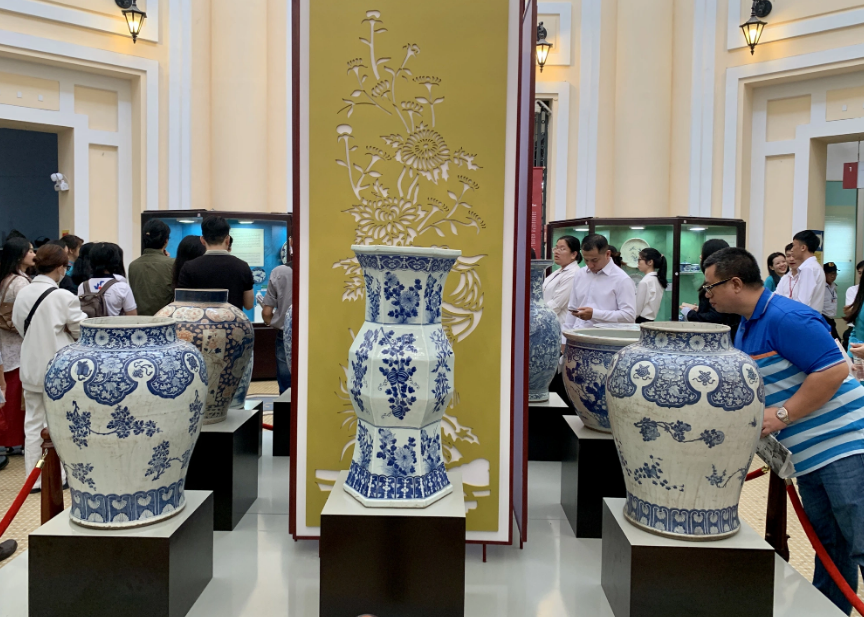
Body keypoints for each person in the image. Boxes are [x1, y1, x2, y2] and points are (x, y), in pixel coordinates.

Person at [702, 246, 864, 615]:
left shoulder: (786, 316)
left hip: (845, 447)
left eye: (711, 287)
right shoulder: (748, 325)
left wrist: (783, 415)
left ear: (736, 283)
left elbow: (834, 370)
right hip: (810, 458)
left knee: (860, 541)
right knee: (831, 546)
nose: (708, 295)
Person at [12, 244, 85, 490]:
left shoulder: (23, 292)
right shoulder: (63, 296)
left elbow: (19, 326)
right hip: (58, 367)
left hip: (30, 364)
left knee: (33, 422)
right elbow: (80, 330)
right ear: (60, 267)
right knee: (59, 422)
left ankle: (34, 478)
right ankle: (59, 475)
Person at [0, 238, 34, 460]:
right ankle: (14, 440)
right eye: (30, 250)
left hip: (6, 341)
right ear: (20, 255)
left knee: (9, 393)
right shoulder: (21, 283)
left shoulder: (5, 279)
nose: (34, 253)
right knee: (16, 396)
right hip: (18, 343)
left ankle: (9, 440)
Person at [562, 234, 636, 336]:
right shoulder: (580, 274)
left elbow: (629, 316)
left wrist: (594, 314)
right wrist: (564, 339)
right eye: (586, 260)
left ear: (607, 254)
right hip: (577, 337)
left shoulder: (622, 279)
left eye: (594, 260)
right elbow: (572, 310)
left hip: (604, 341)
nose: (590, 265)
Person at [177, 216, 254, 311]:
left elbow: (182, 304)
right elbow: (249, 304)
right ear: (228, 240)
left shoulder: (189, 267)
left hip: (201, 324)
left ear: (202, 240)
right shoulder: (243, 266)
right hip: (232, 324)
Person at [680, 239, 740, 338]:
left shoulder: (722, 283)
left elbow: (716, 317)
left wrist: (690, 314)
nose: (700, 257)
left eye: (702, 254)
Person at [262, 241, 293, 394]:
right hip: (316, 334)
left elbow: (267, 313)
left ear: (291, 242)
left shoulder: (279, 272)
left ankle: (287, 417)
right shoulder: (324, 270)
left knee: (286, 383)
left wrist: (274, 321)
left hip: (285, 333)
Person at [129, 219, 174, 315]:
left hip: (140, 323)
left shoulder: (133, 265)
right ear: (166, 241)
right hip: (165, 322)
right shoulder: (172, 264)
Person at [78, 243, 137, 317]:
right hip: (114, 327)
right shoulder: (122, 287)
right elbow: (132, 316)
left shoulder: (83, 286)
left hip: (90, 327)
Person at [542, 236, 583, 324]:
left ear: (573, 254)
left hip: (559, 324)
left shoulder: (574, 274)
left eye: (562, 249)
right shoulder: (558, 271)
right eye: (556, 248)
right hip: (548, 320)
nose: (556, 252)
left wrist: (538, 316)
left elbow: (556, 305)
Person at [789, 230, 825, 312]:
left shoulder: (808, 268)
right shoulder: (813, 266)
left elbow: (802, 303)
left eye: (794, 245)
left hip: (805, 319)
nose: (792, 249)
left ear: (803, 248)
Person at [635, 248, 667, 323]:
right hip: (651, 320)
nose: (638, 263)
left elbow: (637, 310)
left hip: (640, 321)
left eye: (640, 260)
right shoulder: (658, 279)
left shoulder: (645, 282)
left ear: (650, 262)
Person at [822, 262, 840, 340]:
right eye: (830, 273)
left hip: (831, 319)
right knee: (836, 340)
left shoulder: (834, 286)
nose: (833, 276)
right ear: (824, 273)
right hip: (823, 318)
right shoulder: (820, 286)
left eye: (834, 273)